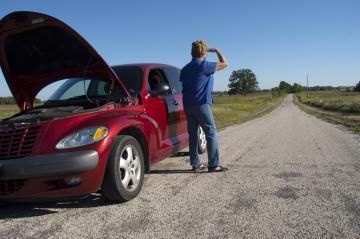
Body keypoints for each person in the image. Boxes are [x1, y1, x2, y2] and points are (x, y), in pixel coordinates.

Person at [180, 39, 229, 172]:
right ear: (204, 52)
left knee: (193, 135)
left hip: (188, 105)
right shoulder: (204, 66)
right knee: (211, 133)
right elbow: (225, 63)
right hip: (201, 104)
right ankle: (214, 164)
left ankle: (195, 164)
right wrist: (217, 50)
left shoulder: (184, 69)